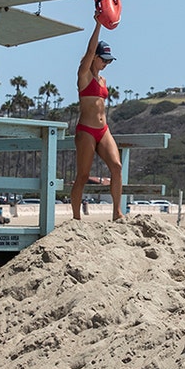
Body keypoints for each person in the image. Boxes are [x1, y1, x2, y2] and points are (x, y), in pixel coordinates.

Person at [70, 18, 124, 220]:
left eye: (109, 60)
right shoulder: (84, 74)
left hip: (103, 130)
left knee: (117, 167)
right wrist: (98, 24)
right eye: (104, 59)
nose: (106, 63)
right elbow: (90, 50)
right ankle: (76, 218)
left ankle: (117, 213)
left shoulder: (103, 80)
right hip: (86, 130)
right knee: (83, 176)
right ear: (94, 58)